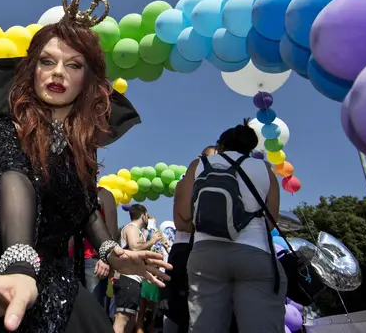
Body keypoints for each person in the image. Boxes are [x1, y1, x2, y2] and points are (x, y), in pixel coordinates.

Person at [0, 0, 171, 333]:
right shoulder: (4, 123)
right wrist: (18, 266)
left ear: (88, 80)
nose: (58, 72)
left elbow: (84, 207)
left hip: (50, 270)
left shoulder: (83, 144)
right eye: (47, 62)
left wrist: (114, 253)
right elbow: (15, 178)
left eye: (74, 64)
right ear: (31, 70)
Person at [178, 120, 286, 333]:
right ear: (250, 147)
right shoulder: (265, 170)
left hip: (205, 256)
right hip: (255, 254)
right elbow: (271, 222)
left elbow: (182, 218)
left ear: (221, 145)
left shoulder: (198, 165)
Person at [164, 146, 216, 333]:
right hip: (186, 250)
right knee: (181, 312)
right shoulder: (188, 183)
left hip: (200, 251)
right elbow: (184, 221)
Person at [114, 204, 164, 333]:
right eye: (147, 216)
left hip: (135, 279)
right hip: (127, 278)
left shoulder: (140, 232)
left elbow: (140, 250)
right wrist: (152, 241)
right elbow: (135, 247)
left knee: (131, 319)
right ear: (143, 215)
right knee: (122, 318)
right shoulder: (131, 228)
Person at [70, 186, 118, 307]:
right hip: (70, 260)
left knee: (91, 307)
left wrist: (106, 259)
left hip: (93, 261)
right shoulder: (72, 192)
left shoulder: (103, 194)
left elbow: (112, 229)